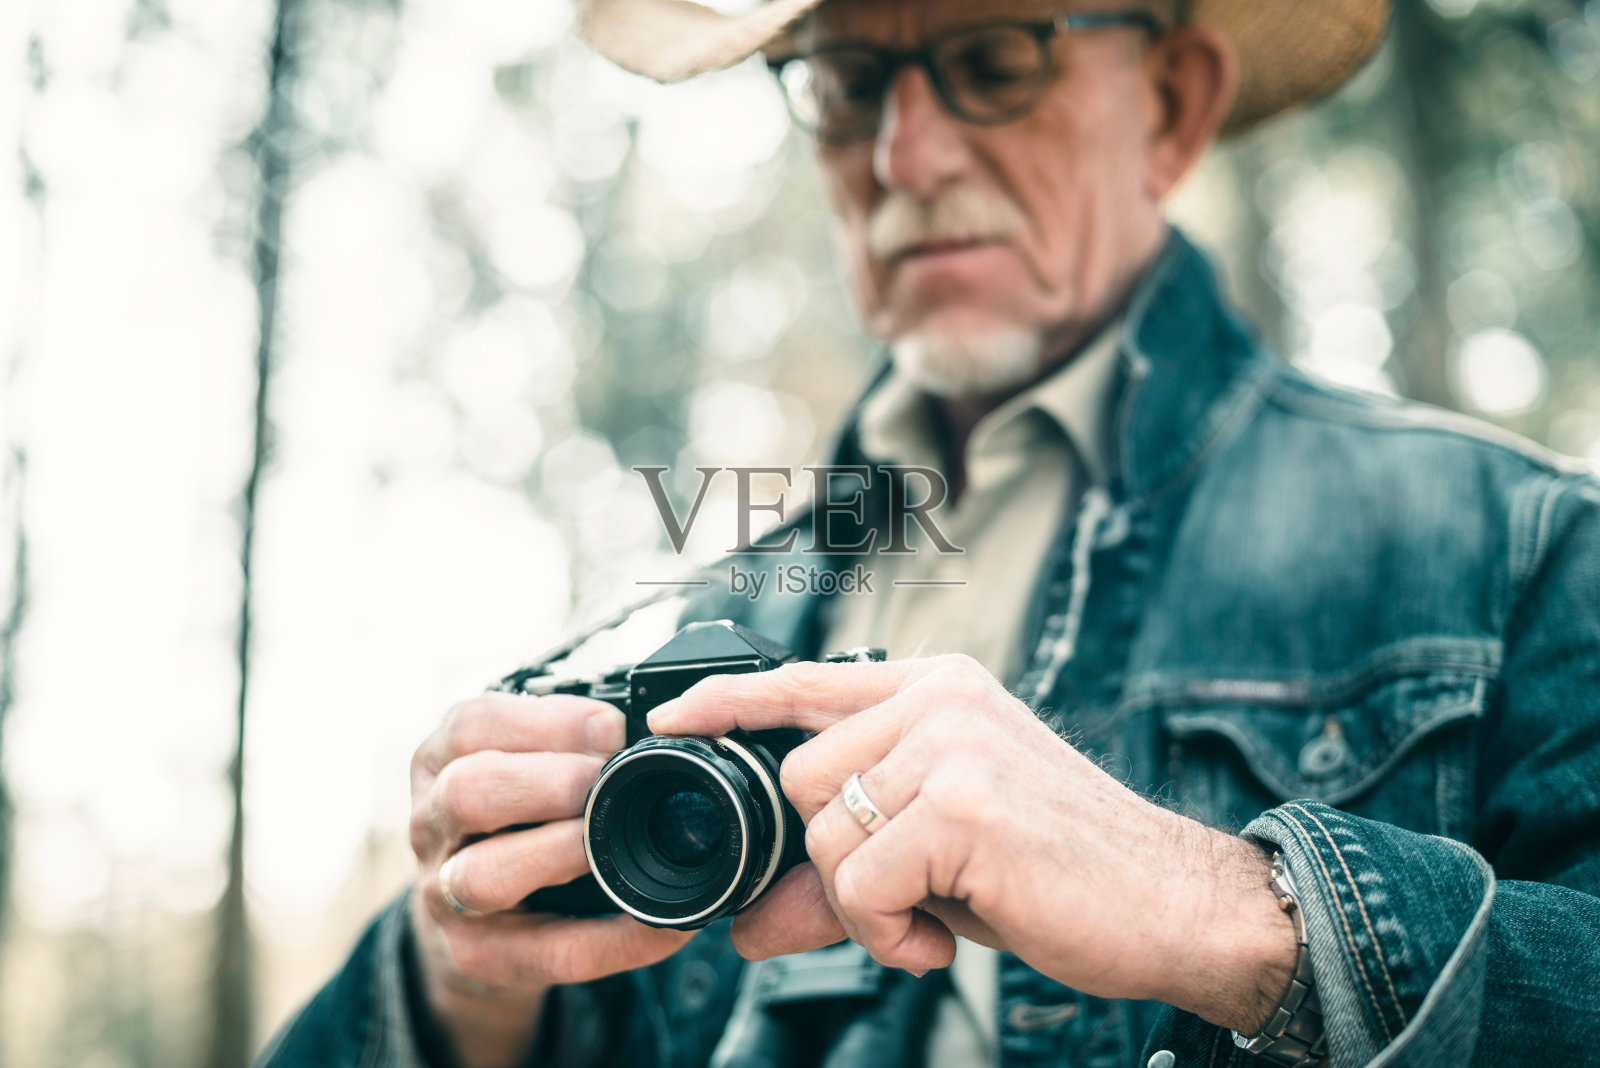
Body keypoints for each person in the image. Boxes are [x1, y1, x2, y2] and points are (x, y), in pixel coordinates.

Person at [258, 0, 1600, 1065]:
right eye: (850, 84)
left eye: (993, 60)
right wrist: (459, 986)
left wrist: (1222, 911)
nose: (904, 155)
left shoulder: (1512, 548)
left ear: (1172, 104)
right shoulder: (716, 607)